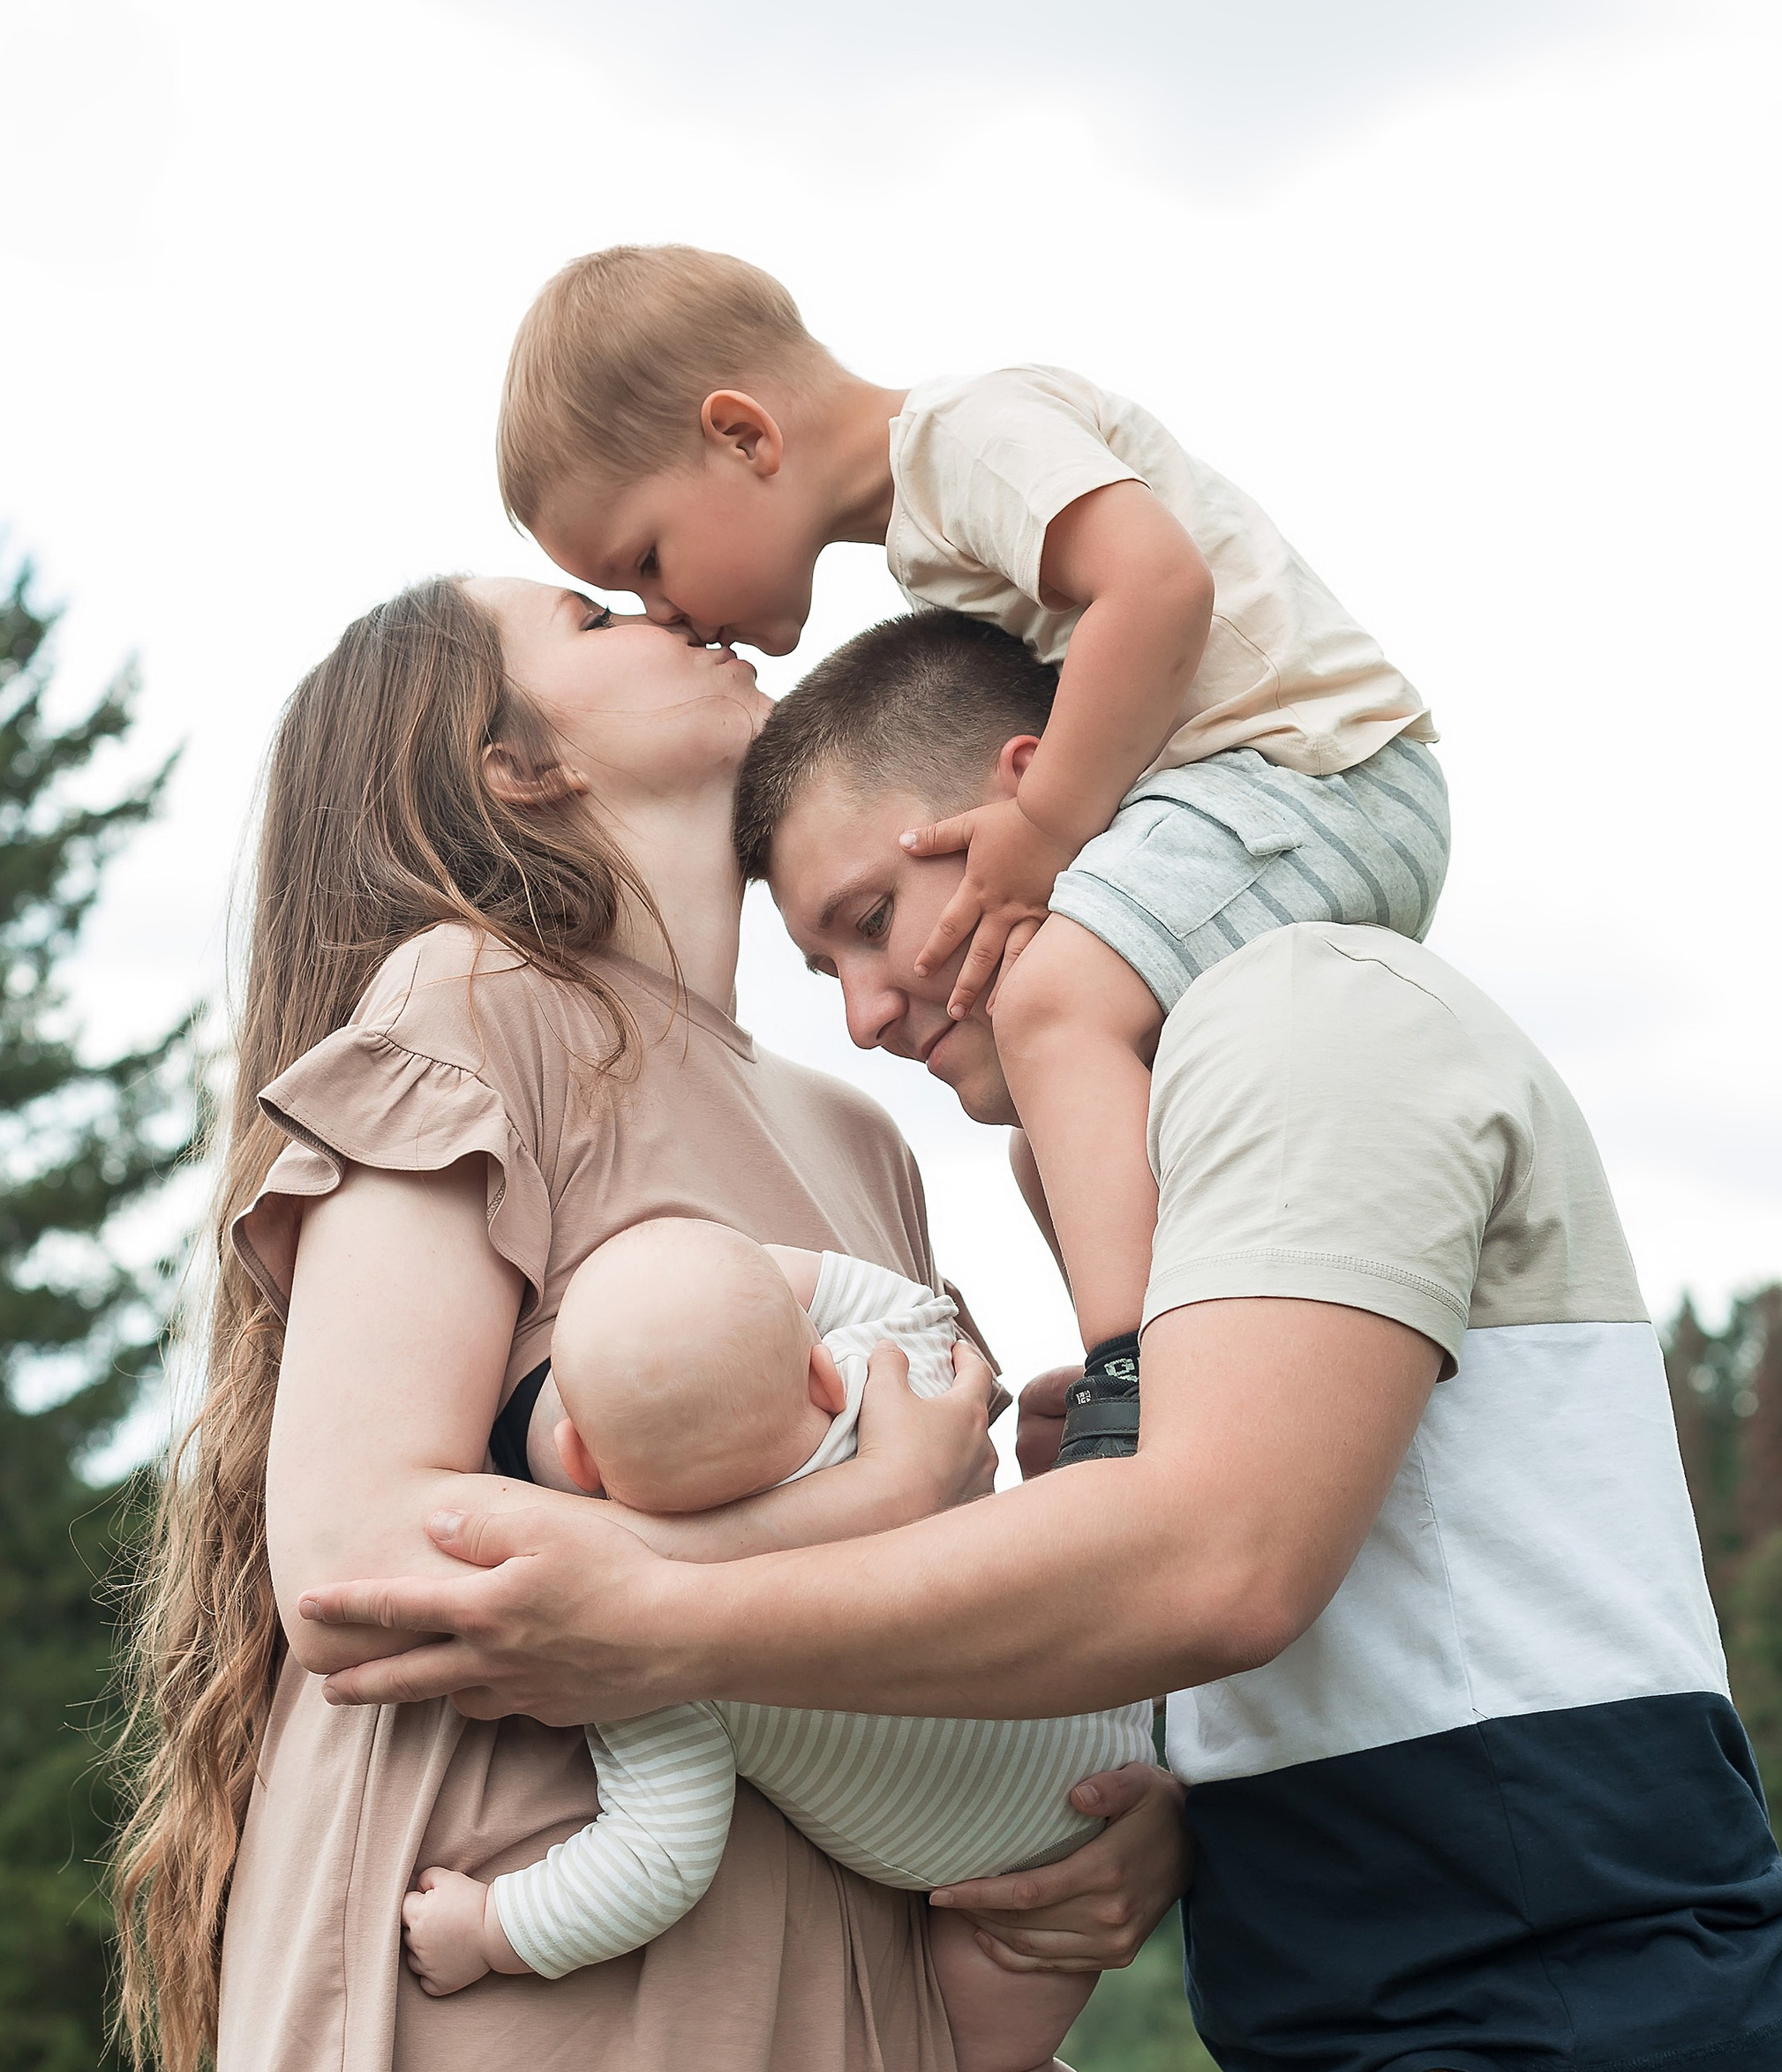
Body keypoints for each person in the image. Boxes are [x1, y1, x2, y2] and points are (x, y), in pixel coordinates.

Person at [305, 612, 1782, 2072]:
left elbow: (1215, 1564)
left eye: (869, 917)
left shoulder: (1300, 1017)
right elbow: (1269, 1603)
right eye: (818, 959)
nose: (861, 1003)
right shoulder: (1168, 1149)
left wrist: (661, 1611)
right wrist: (1163, 1787)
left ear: (1020, 803)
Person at [110, 574, 1191, 2072]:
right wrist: (835, 1521)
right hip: (541, 1930)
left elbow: (935, 1581)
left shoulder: (856, 1135)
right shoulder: (472, 1000)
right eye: (591, 611)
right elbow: (351, 1552)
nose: (669, 602)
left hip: (825, 1957)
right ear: (512, 762)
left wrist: (1117, 1818)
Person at [497, 243, 1449, 1400]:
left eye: (647, 560)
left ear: (744, 436)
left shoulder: (970, 435)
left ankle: (1140, 1380)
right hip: (1247, 795)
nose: (667, 613)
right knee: (1045, 1142)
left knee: (1050, 1002)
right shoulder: (930, 532)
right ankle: (1143, 1352)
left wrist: (1043, 827)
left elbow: (1157, 587)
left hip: (1310, 768)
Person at [398, 1215, 1170, 2072]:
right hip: (1106, 1721)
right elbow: (915, 1305)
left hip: (1018, 1867)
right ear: (813, 1358)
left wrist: (489, 1928)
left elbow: (654, 1861)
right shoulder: (886, 1380)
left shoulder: (656, 1648)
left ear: (579, 1467)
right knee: (996, 2066)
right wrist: (753, 1272)